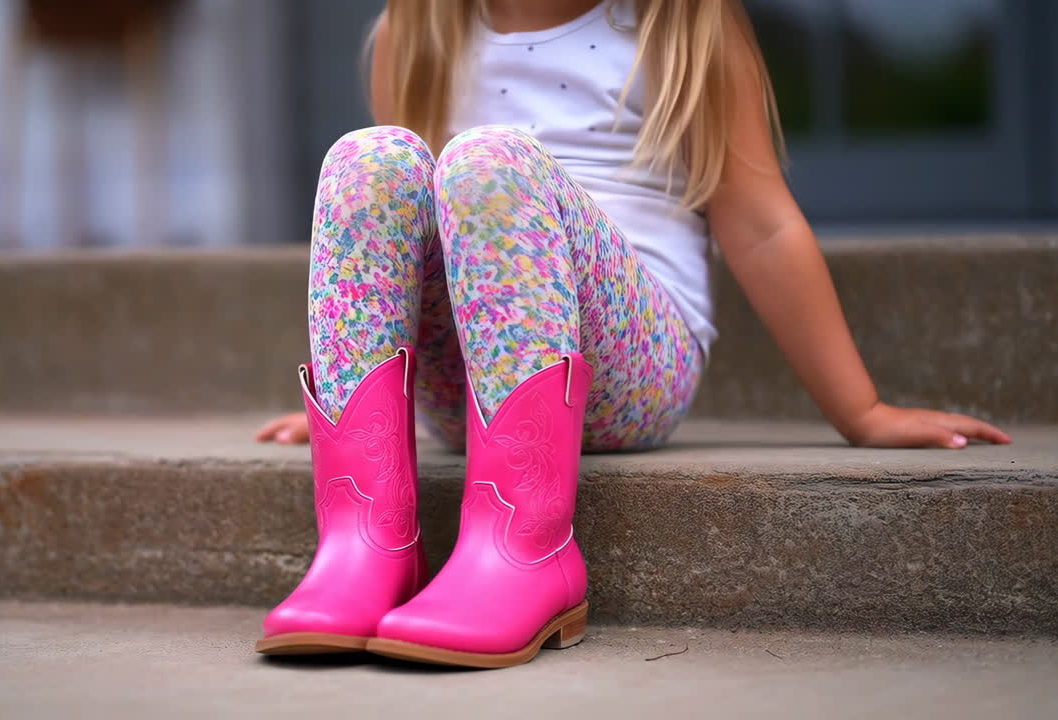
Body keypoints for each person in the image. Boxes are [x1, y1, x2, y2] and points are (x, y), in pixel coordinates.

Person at [252, 0, 1012, 668]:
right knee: (369, 156)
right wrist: (352, 389)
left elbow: (762, 225)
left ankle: (524, 549)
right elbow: (400, 234)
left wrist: (863, 412)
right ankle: (366, 544)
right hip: (469, 391)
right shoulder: (416, 27)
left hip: (633, 364)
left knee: (490, 160)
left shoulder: (679, 23)